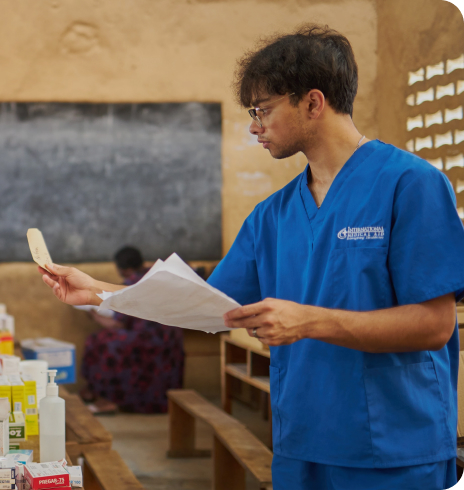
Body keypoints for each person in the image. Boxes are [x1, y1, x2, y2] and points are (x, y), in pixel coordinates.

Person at [37, 25, 464, 489]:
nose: (254, 126)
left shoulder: (410, 185)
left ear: (313, 103)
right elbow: (205, 303)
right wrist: (98, 292)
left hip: (394, 449)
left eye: (263, 110)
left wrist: (308, 322)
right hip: (302, 442)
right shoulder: (272, 216)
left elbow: (434, 324)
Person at [80, 246, 185, 413]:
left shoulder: (131, 285)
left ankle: (108, 399)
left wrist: (92, 313)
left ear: (125, 269)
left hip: (147, 340)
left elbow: (118, 324)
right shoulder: (154, 275)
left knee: (100, 342)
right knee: (106, 340)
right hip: (171, 339)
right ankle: (95, 393)